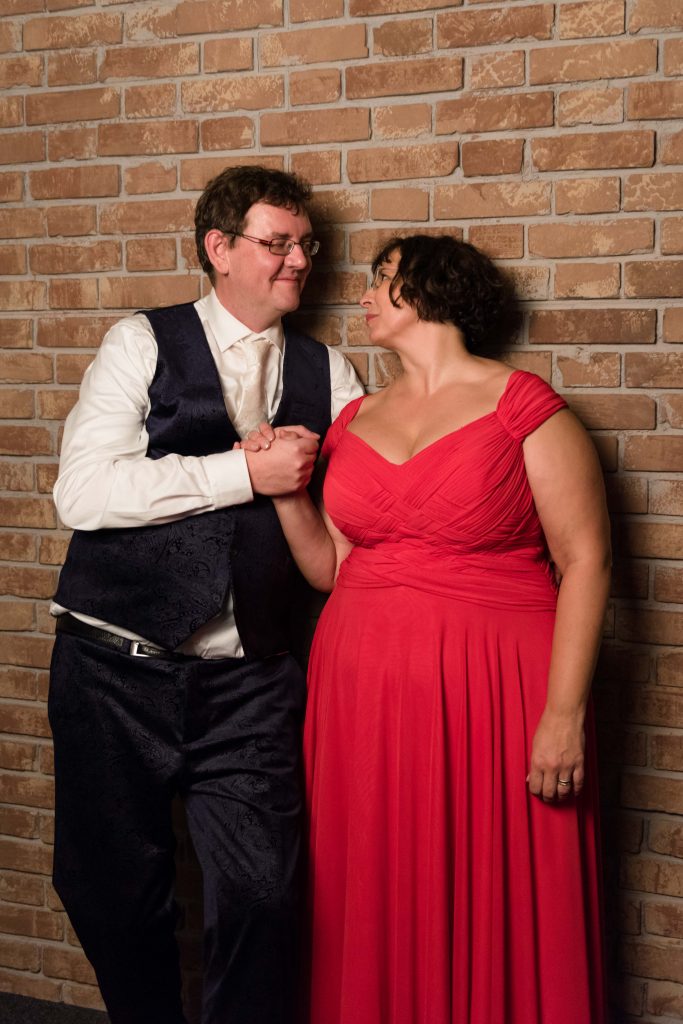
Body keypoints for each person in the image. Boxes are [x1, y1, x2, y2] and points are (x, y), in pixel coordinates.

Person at [245, 234, 610, 1023]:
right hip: (361, 688)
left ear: (430, 289)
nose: (364, 297)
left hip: (497, 682)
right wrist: (284, 494)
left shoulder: (520, 405)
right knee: (373, 877)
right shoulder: (354, 418)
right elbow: (331, 569)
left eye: (382, 280)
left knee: (498, 875)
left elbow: (585, 561)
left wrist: (562, 714)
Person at [47, 164, 363, 1024]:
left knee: (265, 893)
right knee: (113, 892)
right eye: (277, 243)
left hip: (250, 682)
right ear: (218, 248)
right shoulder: (139, 342)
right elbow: (83, 493)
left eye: (306, 244)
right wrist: (242, 473)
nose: (299, 260)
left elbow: (359, 522)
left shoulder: (331, 374)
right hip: (112, 672)